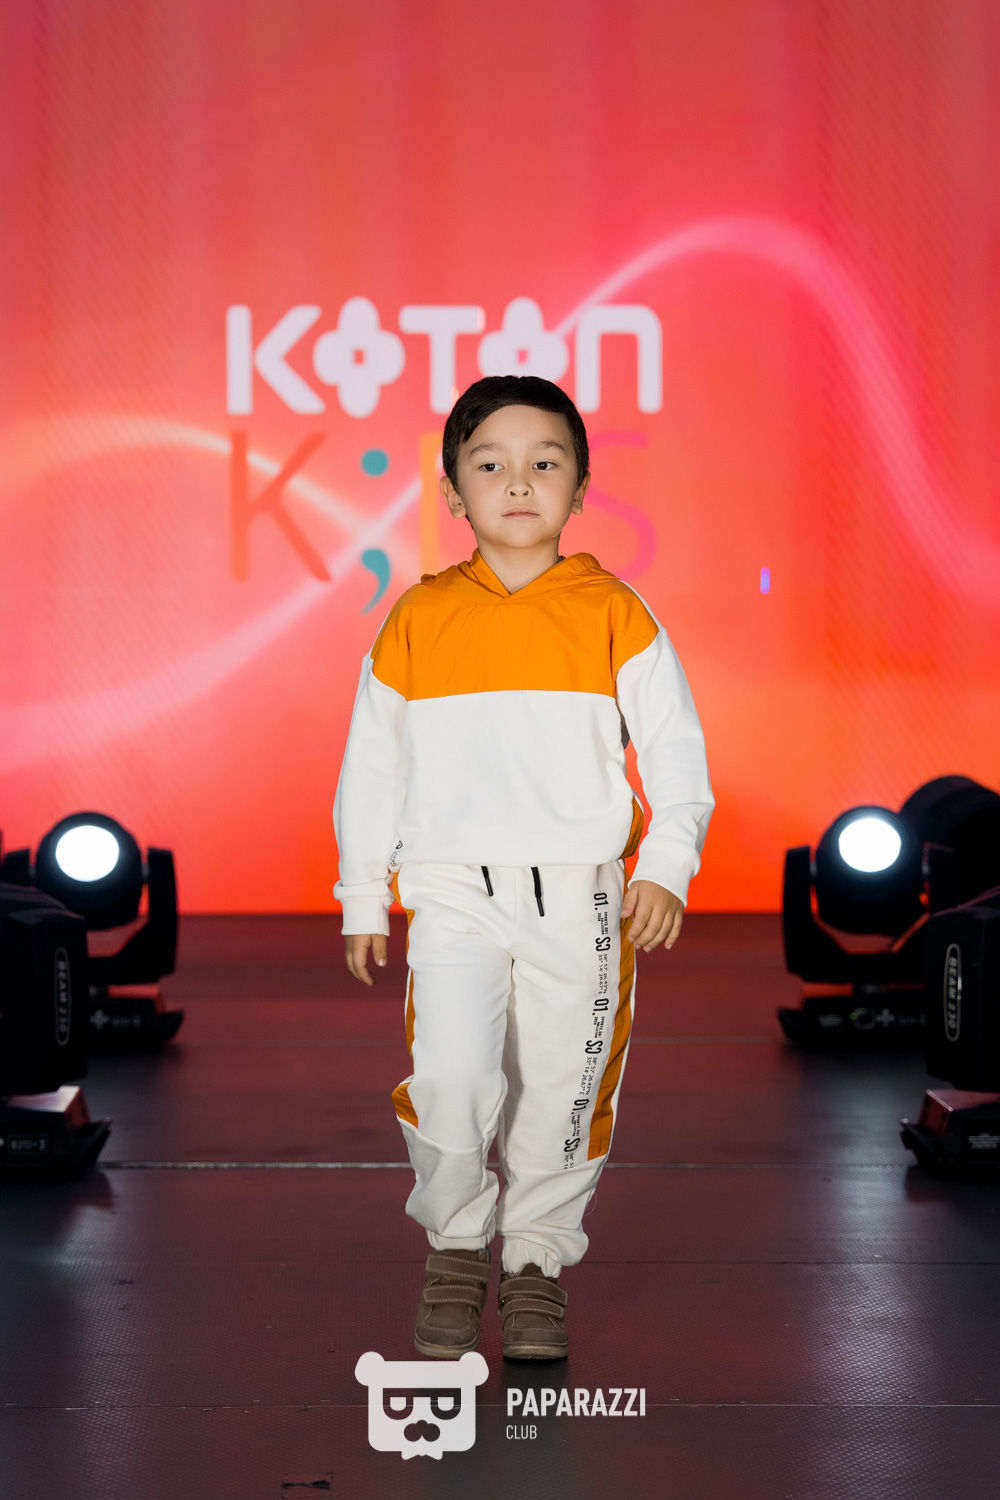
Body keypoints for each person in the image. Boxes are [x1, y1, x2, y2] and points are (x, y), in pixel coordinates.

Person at [334, 374, 713, 1361]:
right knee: (451, 1076)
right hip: (455, 893)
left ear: (580, 486)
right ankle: (457, 1247)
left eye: (545, 463)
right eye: (490, 464)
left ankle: (536, 1261)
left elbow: (676, 751)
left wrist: (666, 864)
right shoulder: (417, 618)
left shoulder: (614, 611)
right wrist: (363, 893)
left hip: (582, 901)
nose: (517, 483)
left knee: (564, 1087)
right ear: (452, 490)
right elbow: (372, 767)